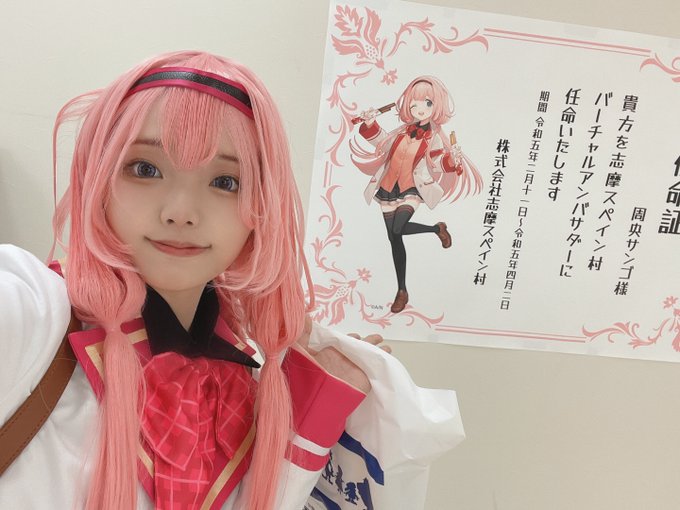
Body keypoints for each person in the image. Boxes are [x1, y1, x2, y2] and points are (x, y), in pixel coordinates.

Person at [0, 50, 389, 510]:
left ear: (261, 210)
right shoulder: (36, 317)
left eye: (226, 182)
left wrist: (315, 399)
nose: (181, 213)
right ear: (99, 178)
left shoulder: (249, 381)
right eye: (145, 169)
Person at [351, 76, 483, 313]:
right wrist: (370, 124)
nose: (420, 108)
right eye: (414, 103)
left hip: (412, 188)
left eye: (427, 103)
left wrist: (452, 160)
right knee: (394, 239)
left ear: (436, 106)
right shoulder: (402, 131)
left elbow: (438, 164)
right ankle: (402, 290)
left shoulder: (434, 137)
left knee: (398, 229)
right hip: (388, 186)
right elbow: (382, 144)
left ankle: (435, 230)